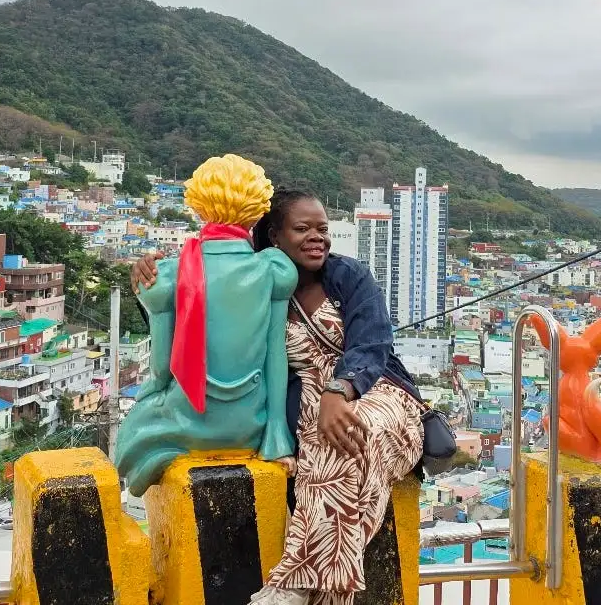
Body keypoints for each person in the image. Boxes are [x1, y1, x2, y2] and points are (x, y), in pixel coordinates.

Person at [133, 188, 424, 605]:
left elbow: (372, 345)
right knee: (324, 444)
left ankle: (294, 582)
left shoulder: (350, 277)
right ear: (275, 234)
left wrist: (340, 390)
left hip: (374, 392)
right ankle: (324, 593)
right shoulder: (257, 280)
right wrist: (146, 284)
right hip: (303, 396)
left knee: (354, 433)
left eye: (323, 229)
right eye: (302, 228)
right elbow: (197, 318)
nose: (317, 238)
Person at [114, 155, 298, 496]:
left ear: (198, 207)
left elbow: (160, 369)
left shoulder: (168, 274)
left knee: (132, 432)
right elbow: (276, 357)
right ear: (257, 211)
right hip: (251, 425)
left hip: (190, 421)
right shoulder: (273, 269)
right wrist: (276, 432)